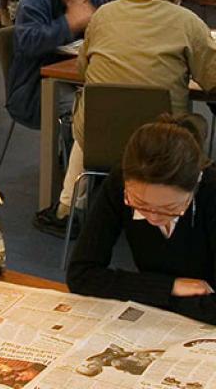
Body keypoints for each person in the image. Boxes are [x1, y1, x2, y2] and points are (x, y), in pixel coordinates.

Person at [35, 0, 216, 237]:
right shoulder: (187, 20)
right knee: (197, 122)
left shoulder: (104, 14)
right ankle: (178, 210)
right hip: (159, 137)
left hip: (101, 133)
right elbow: (212, 77)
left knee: (91, 114)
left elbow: (84, 70)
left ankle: (68, 208)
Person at [68, 114, 216, 325]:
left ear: (195, 185)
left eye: (171, 209)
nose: (154, 217)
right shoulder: (118, 183)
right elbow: (81, 275)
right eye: (140, 204)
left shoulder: (211, 192)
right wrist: (170, 287)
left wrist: (147, 292)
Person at [7, 0, 107, 130]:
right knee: (80, 111)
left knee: (114, 102)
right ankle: (68, 159)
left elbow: (108, 25)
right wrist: (68, 24)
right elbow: (28, 44)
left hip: (79, 76)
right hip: (36, 84)